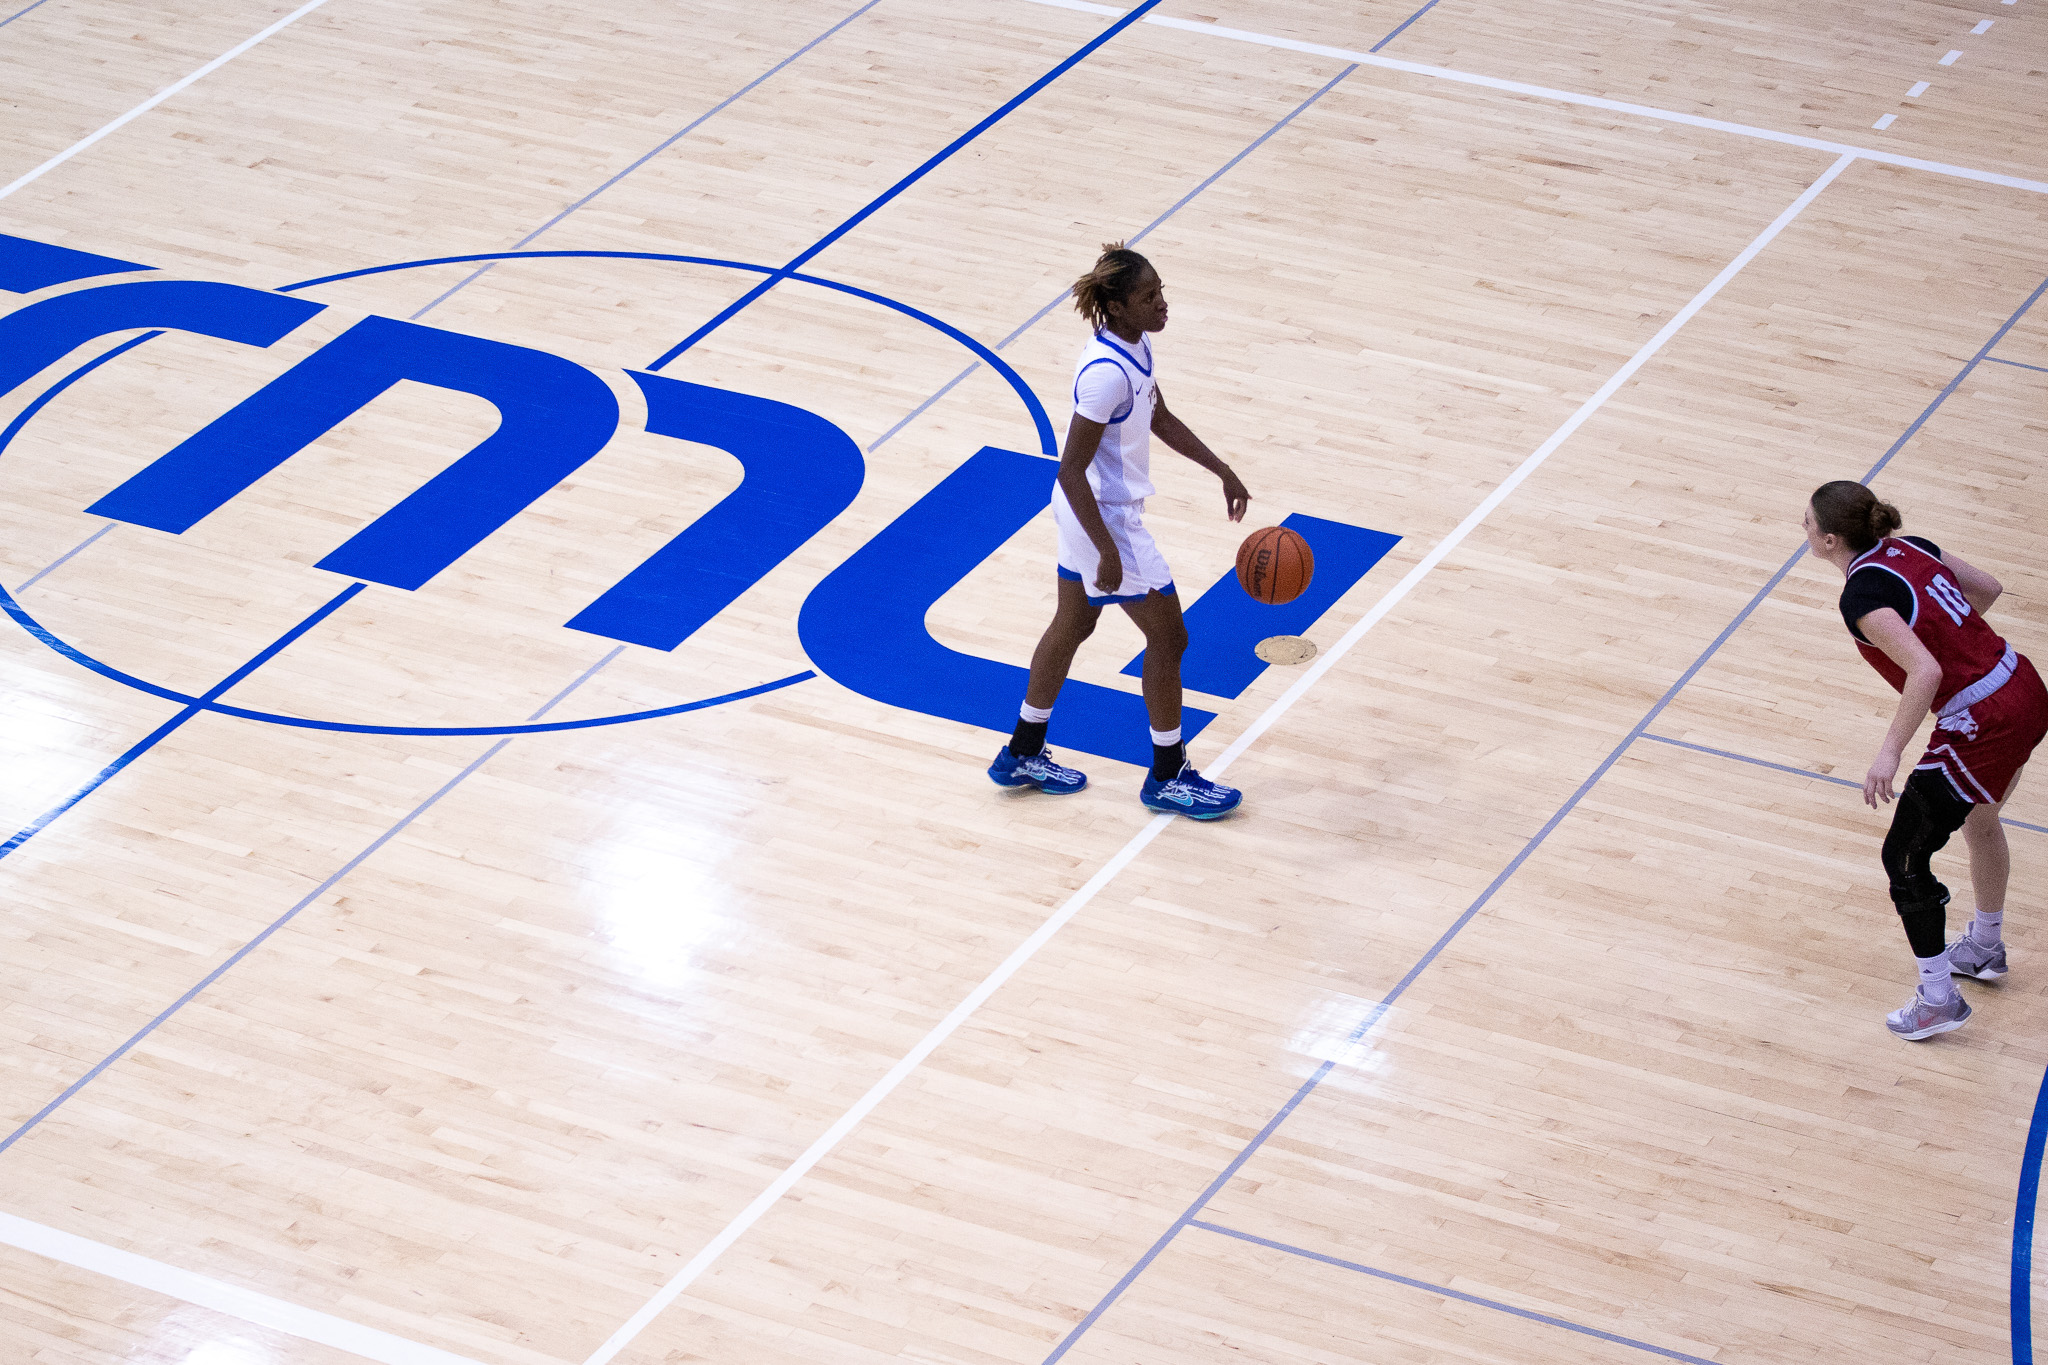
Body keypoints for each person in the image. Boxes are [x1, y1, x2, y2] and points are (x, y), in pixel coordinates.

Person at [987, 242, 1250, 817]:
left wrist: (1221, 469)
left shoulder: (1136, 346)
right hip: (1102, 518)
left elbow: (1158, 416)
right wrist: (1106, 550)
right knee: (1170, 638)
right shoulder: (1106, 375)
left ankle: (1022, 753)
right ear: (1119, 305)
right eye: (1149, 296)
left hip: (1089, 514)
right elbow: (1070, 468)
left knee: (1074, 622)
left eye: (1161, 292)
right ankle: (1168, 775)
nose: (1162, 304)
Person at [1804, 480, 2048, 1039]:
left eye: (1809, 524)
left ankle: (1938, 997)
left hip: (1984, 719)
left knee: (1904, 856)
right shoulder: (1914, 546)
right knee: (1980, 818)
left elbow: (1926, 672)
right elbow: (1987, 589)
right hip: (2024, 686)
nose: (1805, 530)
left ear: (1831, 539)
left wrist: (1888, 752)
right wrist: (1960, 642)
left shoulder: (1861, 596)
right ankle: (1984, 947)